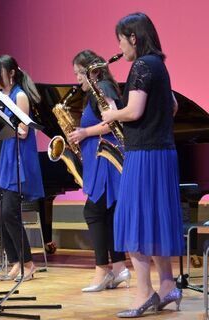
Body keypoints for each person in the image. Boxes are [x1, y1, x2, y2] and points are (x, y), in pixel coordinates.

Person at [101, 13, 184, 317]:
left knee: (132, 221)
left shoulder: (140, 66)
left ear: (132, 38)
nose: (120, 47)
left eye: (120, 41)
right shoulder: (159, 65)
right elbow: (173, 106)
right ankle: (167, 286)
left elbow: (134, 111)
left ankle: (143, 293)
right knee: (156, 222)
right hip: (163, 154)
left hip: (143, 155)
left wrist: (112, 114)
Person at [68, 50, 130, 292]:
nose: (77, 79)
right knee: (106, 214)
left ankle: (103, 270)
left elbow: (113, 121)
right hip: (100, 159)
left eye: (78, 74)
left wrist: (84, 133)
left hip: (106, 161)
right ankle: (118, 268)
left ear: (89, 71)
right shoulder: (100, 88)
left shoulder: (101, 87)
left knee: (93, 212)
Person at [0, 54, 44, 281]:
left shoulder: (19, 95)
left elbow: (23, 131)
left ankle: (28, 263)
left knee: (9, 213)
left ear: (10, 74)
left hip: (15, 157)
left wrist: (2, 119)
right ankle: (14, 261)